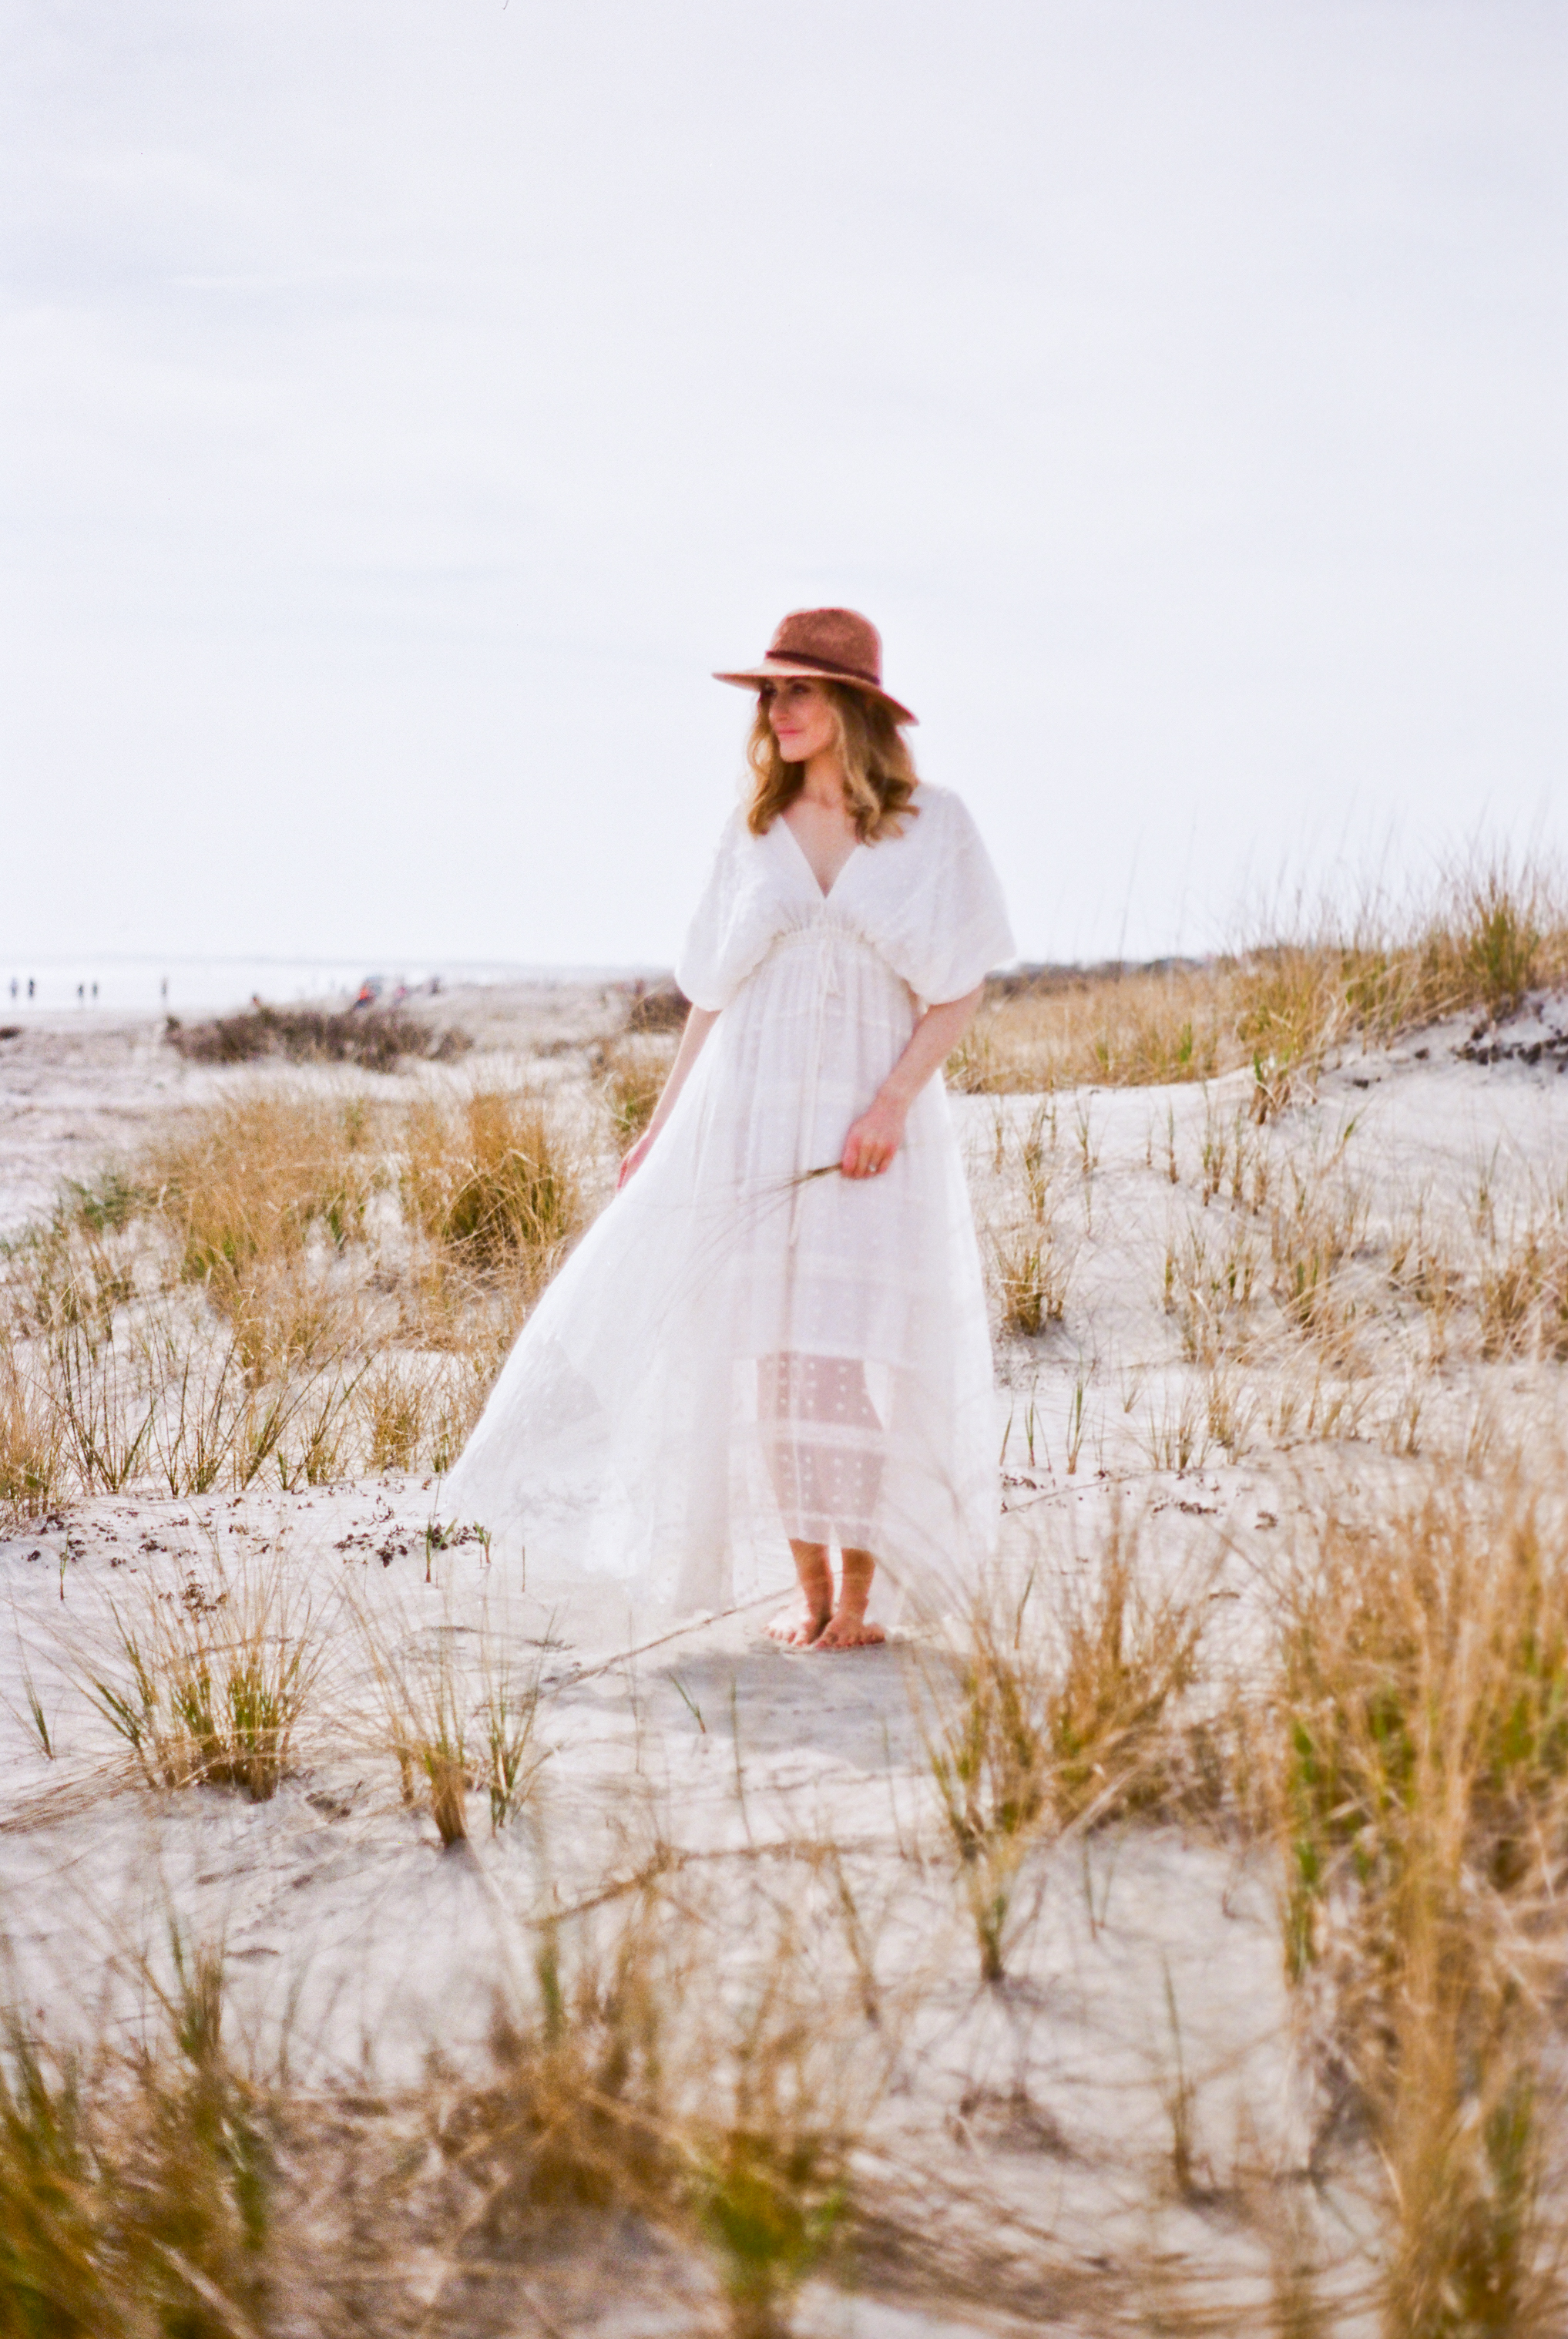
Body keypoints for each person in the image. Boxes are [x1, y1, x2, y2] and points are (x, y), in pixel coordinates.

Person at [442, 608, 1014, 1649]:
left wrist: (889, 1103)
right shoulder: (753, 830)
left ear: (853, 706)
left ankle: (860, 1602)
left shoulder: (933, 824)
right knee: (772, 1368)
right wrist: (661, 1126)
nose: (778, 710)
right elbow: (711, 993)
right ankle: (807, 1603)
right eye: (770, 694)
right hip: (750, 1120)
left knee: (841, 1366)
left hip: (868, 1131)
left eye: (797, 690)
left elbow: (960, 990)